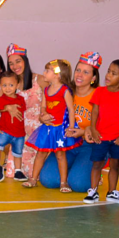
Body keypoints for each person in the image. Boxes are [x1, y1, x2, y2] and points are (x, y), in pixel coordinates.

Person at [40, 51, 97, 192]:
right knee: (48, 180)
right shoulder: (64, 91)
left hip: (88, 145)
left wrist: (83, 132)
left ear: (93, 78)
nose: (79, 75)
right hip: (64, 143)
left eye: (85, 72)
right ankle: (75, 168)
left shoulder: (99, 95)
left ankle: (94, 169)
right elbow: (47, 108)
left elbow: (106, 127)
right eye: (78, 70)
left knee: (78, 184)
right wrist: (43, 116)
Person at [23, 59, 82, 191]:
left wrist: (71, 127)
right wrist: (43, 113)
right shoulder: (46, 90)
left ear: (57, 75)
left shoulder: (64, 91)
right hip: (47, 128)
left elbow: (71, 109)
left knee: (60, 155)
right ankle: (33, 179)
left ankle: (63, 182)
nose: (44, 72)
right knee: (40, 153)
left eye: (47, 70)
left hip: (60, 129)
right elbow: (43, 106)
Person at [85, 59, 119, 204]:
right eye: (108, 71)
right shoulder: (99, 91)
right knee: (97, 164)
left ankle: (112, 192)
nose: (108, 75)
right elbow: (94, 112)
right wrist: (93, 129)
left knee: (115, 165)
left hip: (117, 138)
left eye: (113, 73)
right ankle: (93, 191)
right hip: (100, 137)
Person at [1, 43, 41, 178]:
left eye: (18, 61)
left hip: (38, 133)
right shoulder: (10, 84)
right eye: (11, 63)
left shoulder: (39, 79)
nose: (15, 66)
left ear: (25, 61)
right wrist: (7, 107)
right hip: (19, 133)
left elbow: (59, 94)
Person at [0, 73, 27, 183]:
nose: (7, 88)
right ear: (0, 86)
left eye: (11, 85)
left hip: (19, 132)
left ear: (17, 85)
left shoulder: (21, 99)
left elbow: (21, 113)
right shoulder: (0, 100)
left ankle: (18, 171)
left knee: (17, 153)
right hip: (5, 131)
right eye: (4, 85)